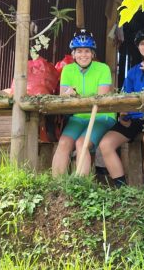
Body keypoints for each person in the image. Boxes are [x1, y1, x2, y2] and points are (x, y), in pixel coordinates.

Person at [99, 29, 144, 187]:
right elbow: (126, 98)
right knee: (105, 144)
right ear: (138, 48)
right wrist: (123, 115)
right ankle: (122, 189)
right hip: (133, 119)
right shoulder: (132, 73)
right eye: (142, 44)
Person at [52, 29, 116, 176]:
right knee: (63, 143)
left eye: (87, 51)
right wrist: (68, 94)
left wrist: (77, 96)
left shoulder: (103, 68)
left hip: (101, 116)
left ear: (93, 53)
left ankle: (81, 187)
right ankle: (57, 187)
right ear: (73, 54)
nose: (83, 55)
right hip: (79, 117)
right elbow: (63, 96)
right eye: (79, 51)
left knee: (82, 143)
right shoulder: (68, 70)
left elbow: (102, 96)